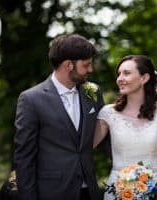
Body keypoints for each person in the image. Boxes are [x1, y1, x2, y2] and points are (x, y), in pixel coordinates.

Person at [14, 34, 105, 200]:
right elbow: (24, 158)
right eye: (86, 65)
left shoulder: (93, 93)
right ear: (68, 65)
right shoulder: (31, 99)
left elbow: (105, 137)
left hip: (90, 192)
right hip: (53, 192)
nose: (91, 70)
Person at [93, 55, 157, 200]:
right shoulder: (108, 113)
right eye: (119, 74)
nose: (119, 78)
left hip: (155, 192)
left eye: (126, 73)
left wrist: (152, 191)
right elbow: (84, 147)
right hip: (116, 192)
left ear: (144, 78)